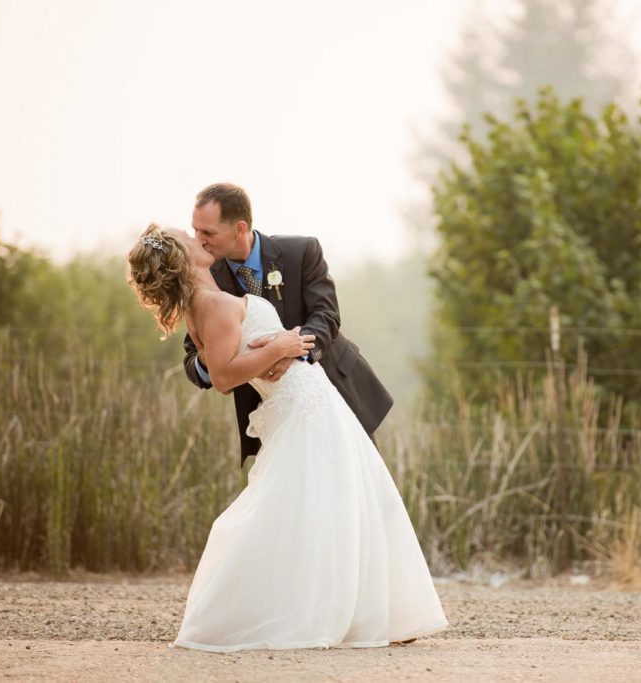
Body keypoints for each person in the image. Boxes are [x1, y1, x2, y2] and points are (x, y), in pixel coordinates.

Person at [127, 224, 448, 651]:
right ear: (182, 259)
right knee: (311, 505)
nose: (196, 237)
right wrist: (279, 349)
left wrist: (278, 349)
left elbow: (302, 326)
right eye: (189, 237)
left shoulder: (206, 300)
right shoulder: (213, 302)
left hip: (311, 401)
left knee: (343, 504)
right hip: (301, 408)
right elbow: (222, 377)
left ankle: (370, 612)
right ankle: (315, 614)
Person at [181, 182, 393, 468]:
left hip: (336, 391)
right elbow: (193, 357)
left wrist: (291, 351)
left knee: (361, 489)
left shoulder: (301, 252)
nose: (199, 240)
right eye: (194, 230)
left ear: (240, 229)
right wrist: (213, 360)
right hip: (275, 414)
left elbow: (326, 315)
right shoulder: (207, 278)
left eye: (208, 232)